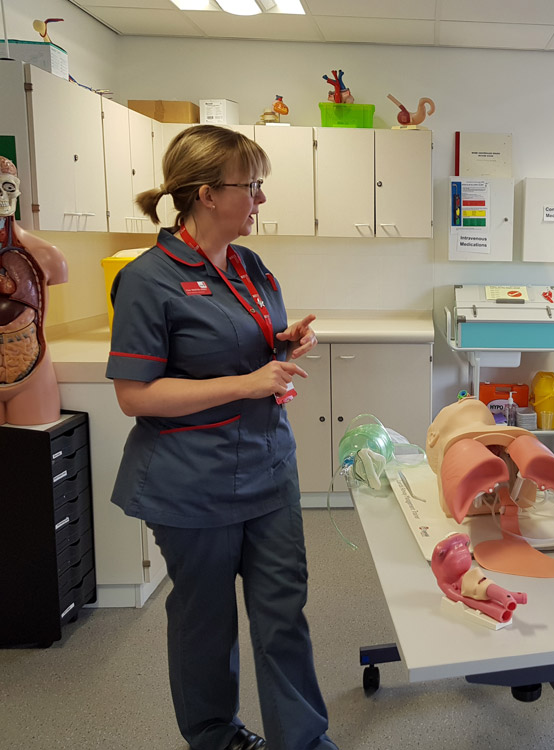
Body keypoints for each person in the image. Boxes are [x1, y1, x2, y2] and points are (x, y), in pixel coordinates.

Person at [106, 125, 338, 750]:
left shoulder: (248, 264)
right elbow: (135, 395)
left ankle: (304, 741)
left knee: (283, 613)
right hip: (192, 482)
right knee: (206, 624)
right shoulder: (148, 279)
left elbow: (250, 343)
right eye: (252, 186)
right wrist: (245, 383)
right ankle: (216, 736)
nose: (260, 199)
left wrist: (285, 344)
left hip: (267, 468)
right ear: (207, 193)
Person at [0, 156, 68, 426]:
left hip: (32, 370)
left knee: (33, 458)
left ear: (17, 190)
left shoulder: (47, 254)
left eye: (7, 187)